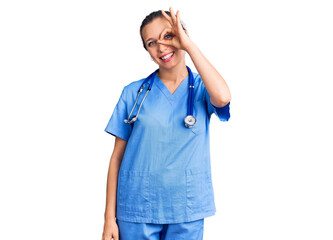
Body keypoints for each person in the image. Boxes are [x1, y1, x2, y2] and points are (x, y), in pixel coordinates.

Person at [102, 7, 231, 240]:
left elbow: (223, 97)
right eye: (151, 43)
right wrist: (109, 219)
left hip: (186, 208)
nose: (161, 47)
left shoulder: (202, 89)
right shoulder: (133, 93)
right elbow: (117, 158)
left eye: (168, 36)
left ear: (182, 35)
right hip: (136, 209)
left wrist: (189, 45)